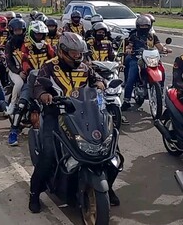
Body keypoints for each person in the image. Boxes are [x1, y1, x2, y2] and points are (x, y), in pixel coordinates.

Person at [28, 33, 120, 213]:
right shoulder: (49, 67)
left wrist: (101, 84)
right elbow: (38, 86)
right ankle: (34, 193)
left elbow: (96, 80)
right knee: (48, 155)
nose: (78, 57)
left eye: (80, 53)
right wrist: (43, 95)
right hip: (55, 115)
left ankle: (107, 185)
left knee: (110, 151)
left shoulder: (85, 68)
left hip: (84, 114)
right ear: (62, 52)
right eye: (74, 53)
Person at [8, 20, 55, 146]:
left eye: (42, 34)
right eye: (37, 34)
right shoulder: (26, 46)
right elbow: (24, 61)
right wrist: (29, 71)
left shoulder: (47, 46)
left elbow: (54, 59)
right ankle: (13, 132)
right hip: (31, 79)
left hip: (46, 81)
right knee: (22, 104)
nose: (39, 37)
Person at [123, 15, 170, 111]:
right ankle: (126, 100)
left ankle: (160, 92)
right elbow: (129, 46)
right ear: (138, 26)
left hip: (151, 58)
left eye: (146, 26)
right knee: (131, 77)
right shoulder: (134, 35)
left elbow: (159, 47)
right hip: (136, 58)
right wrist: (128, 50)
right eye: (142, 26)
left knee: (162, 70)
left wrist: (165, 50)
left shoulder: (152, 35)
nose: (144, 28)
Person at [5, 18, 27, 115]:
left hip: (29, 70)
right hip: (14, 71)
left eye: (20, 30)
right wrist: (18, 72)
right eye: (16, 30)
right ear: (11, 31)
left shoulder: (28, 43)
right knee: (19, 83)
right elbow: (9, 61)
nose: (18, 32)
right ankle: (12, 104)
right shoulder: (9, 44)